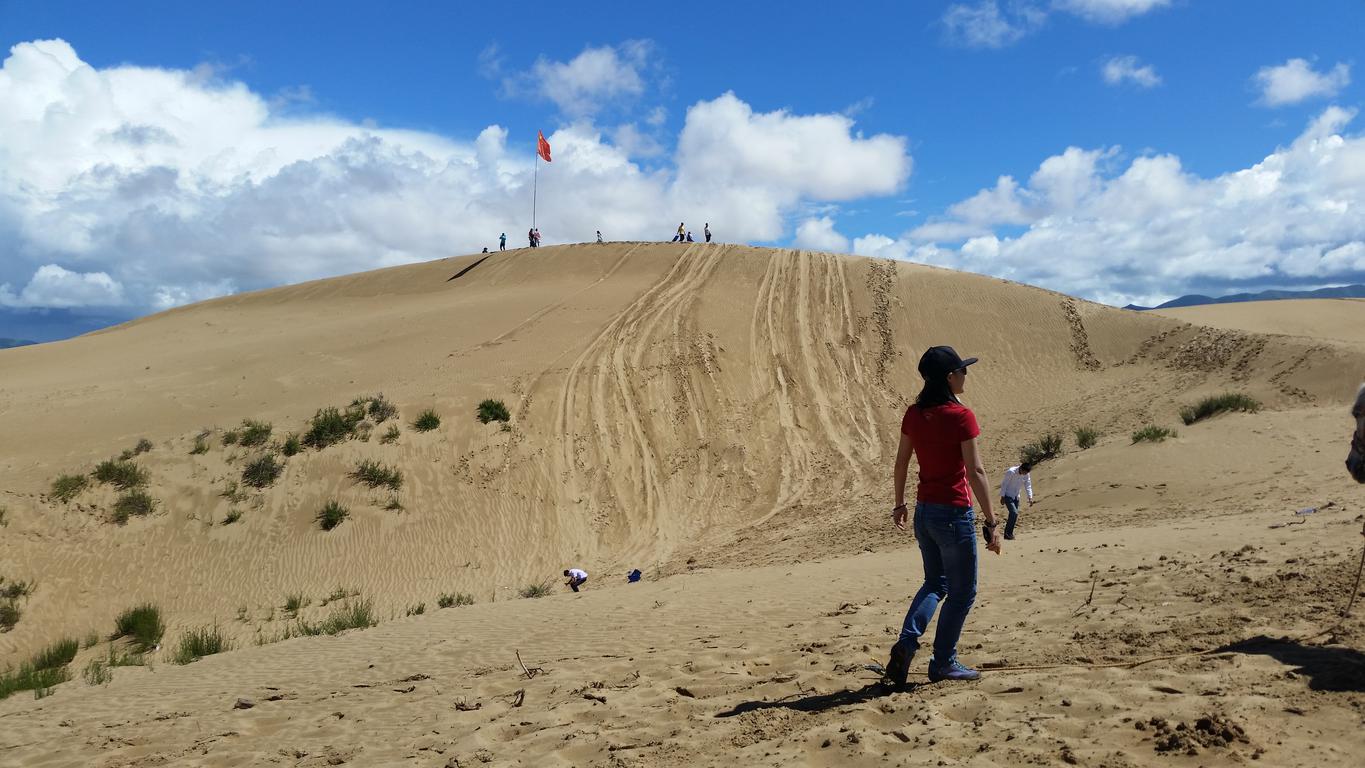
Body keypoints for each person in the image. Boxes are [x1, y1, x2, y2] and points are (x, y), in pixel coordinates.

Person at [884, 345, 1001, 687]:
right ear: (950, 377)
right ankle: (944, 662)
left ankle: (907, 642)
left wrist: (898, 503)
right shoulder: (961, 416)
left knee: (936, 583)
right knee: (963, 592)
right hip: (954, 514)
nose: (966, 375)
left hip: (924, 513)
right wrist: (992, 522)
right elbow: (975, 471)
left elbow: (901, 462)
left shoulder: (913, 414)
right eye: (963, 370)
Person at [999, 462, 1033, 540]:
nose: (1025, 474)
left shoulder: (1026, 474)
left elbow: (1028, 485)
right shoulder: (1011, 471)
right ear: (1021, 468)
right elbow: (1004, 484)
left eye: (1026, 473)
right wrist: (1002, 496)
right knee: (1014, 512)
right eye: (1024, 472)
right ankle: (1007, 533)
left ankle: (1009, 534)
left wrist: (1030, 497)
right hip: (1008, 495)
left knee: (1014, 515)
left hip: (1016, 496)